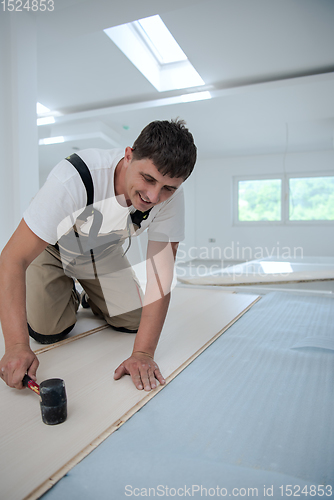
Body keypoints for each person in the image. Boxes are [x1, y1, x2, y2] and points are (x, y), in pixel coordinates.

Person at [0, 119, 197, 393]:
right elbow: (12, 259)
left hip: (102, 251)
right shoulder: (74, 177)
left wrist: (143, 354)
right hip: (53, 248)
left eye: (168, 188)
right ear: (128, 156)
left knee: (134, 320)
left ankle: (90, 295)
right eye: (148, 179)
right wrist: (17, 347)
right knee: (48, 331)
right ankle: (65, 288)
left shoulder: (172, 198)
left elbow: (160, 279)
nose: (153, 196)